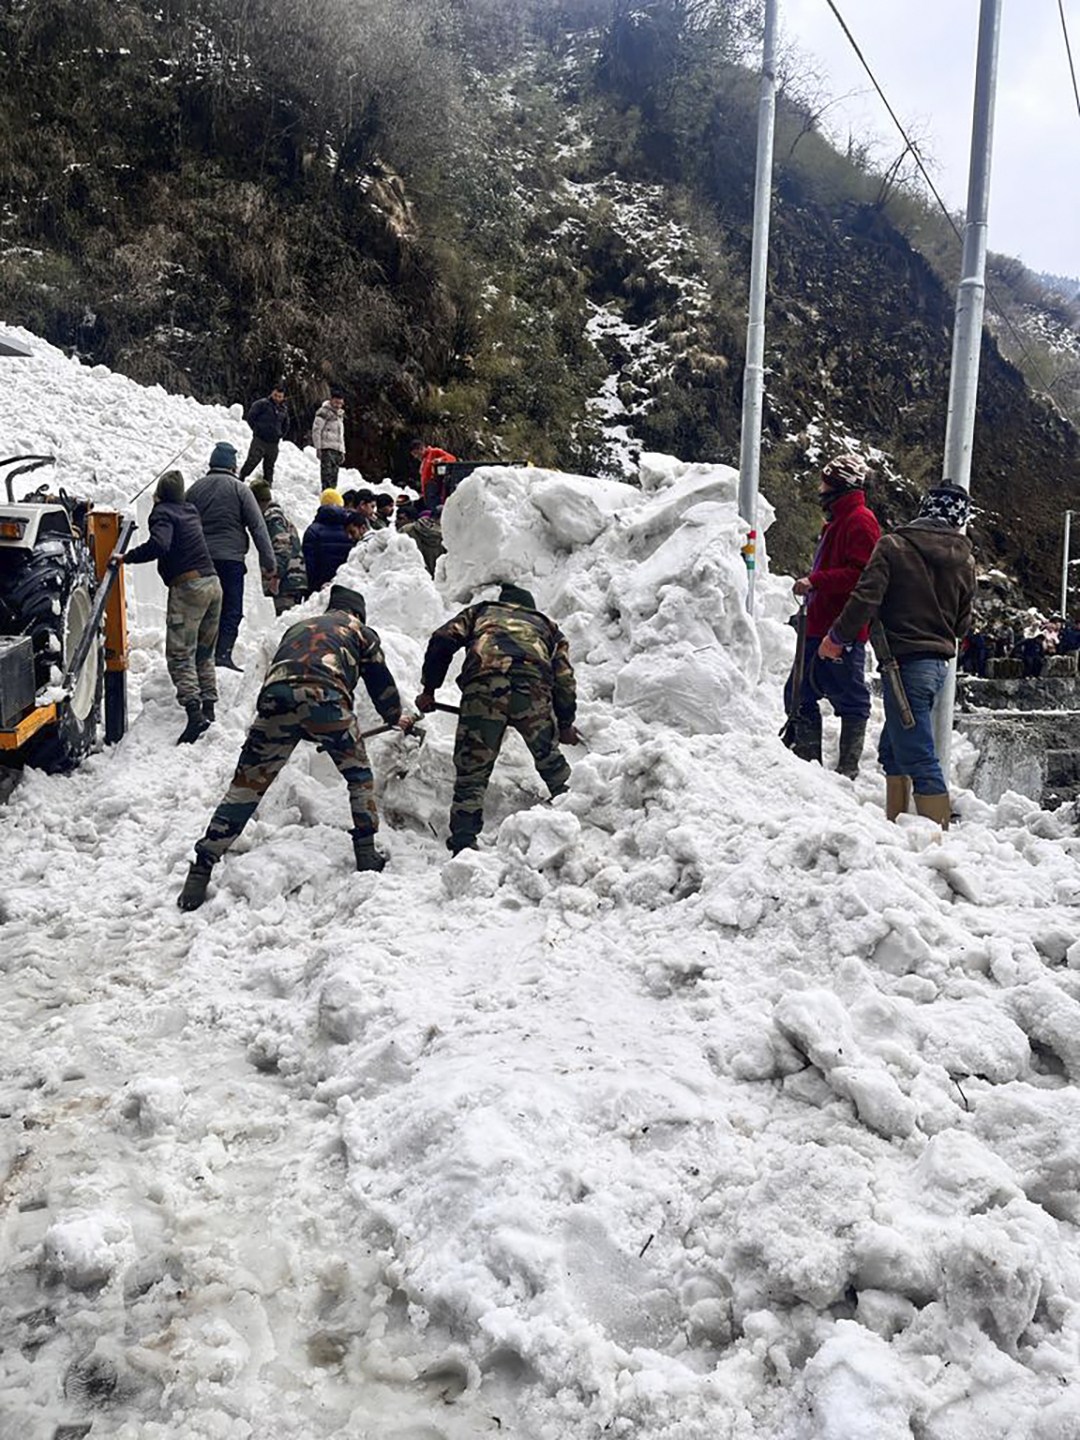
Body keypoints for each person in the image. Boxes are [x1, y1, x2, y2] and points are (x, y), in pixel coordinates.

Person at [178, 585, 412, 910]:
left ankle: (201, 867)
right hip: (327, 698)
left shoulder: (298, 627)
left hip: (276, 700)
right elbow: (380, 683)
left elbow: (283, 676)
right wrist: (394, 717)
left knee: (245, 787)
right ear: (358, 613)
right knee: (358, 776)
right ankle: (366, 854)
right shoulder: (360, 631)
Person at [818, 483, 976, 829]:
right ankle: (898, 825)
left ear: (924, 509)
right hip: (936, 668)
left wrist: (836, 638)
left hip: (902, 664)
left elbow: (865, 598)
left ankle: (937, 837)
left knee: (918, 755)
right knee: (893, 749)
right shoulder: (965, 562)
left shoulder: (893, 546)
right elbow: (963, 625)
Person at [415, 582, 580, 855]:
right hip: (533, 689)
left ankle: (464, 844)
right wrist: (565, 724)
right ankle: (576, 817)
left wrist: (429, 690)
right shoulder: (548, 627)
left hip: (484, 689)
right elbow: (564, 678)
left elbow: (443, 639)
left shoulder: (481, 612)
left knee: (472, 772)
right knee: (550, 761)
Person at [785, 453, 880, 778]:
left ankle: (847, 771)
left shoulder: (860, 520)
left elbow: (863, 576)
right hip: (820, 625)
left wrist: (816, 581)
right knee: (798, 693)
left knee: (850, 699)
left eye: (826, 482)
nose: (820, 488)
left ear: (839, 486)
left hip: (841, 629)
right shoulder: (840, 520)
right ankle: (809, 766)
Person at [125, 470, 223, 744]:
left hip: (189, 588)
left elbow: (160, 544)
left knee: (180, 654)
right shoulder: (190, 510)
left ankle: (195, 716)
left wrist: (127, 557)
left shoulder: (163, 513)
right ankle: (209, 709)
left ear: (160, 495)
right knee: (204, 652)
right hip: (213, 584)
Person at [186, 442, 276, 670]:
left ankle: (201, 655)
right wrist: (269, 562)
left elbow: (183, 524)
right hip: (231, 561)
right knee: (231, 608)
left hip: (200, 560)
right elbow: (257, 526)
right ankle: (223, 655)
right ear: (233, 466)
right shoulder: (240, 490)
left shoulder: (195, 489)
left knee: (203, 608)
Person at [251, 479, 307, 614]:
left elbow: (282, 546)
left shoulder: (272, 517)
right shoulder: (277, 516)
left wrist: (276, 576)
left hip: (286, 581)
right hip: (291, 579)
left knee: (284, 623)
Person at [303, 489, 361, 592]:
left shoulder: (313, 530)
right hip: (345, 584)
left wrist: (311, 588)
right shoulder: (349, 528)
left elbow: (309, 563)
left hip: (319, 586)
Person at [238, 380, 290, 486]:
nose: (277, 398)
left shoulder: (283, 409)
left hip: (273, 443)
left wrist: (280, 434)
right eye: (275, 395)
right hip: (260, 440)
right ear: (272, 393)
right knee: (252, 461)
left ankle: (267, 486)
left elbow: (286, 424)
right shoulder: (262, 404)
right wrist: (257, 430)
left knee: (269, 467)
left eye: (280, 396)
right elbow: (251, 417)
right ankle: (241, 478)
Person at [311, 386, 346, 490]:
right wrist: (318, 447)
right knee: (327, 474)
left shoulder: (340, 415)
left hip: (337, 448)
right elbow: (316, 430)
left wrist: (342, 450)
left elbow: (341, 435)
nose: (338, 406)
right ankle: (326, 493)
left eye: (340, 403)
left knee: (334, 475)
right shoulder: (324, 412)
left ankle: (332, 493)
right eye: (336, 403)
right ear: (331, 401)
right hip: (326, 447)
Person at [410, 438, 457, 511]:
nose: (415, 456)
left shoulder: (434, 452)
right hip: (427, 490)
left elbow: (452, 458)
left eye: (416, 453)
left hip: (434, 486)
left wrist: (440, 459)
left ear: (421, 449)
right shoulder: (423, 460)